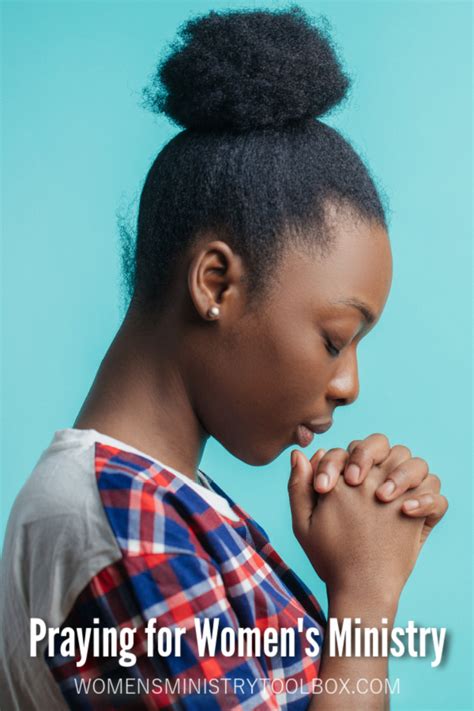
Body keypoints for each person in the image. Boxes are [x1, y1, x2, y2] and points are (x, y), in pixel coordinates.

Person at [0, 7, 448, 710]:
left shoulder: (173, 502)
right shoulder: (121, 524)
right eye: (335, 339)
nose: (349, 385)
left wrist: (360, 551)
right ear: (215, 284)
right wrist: (366, 593)